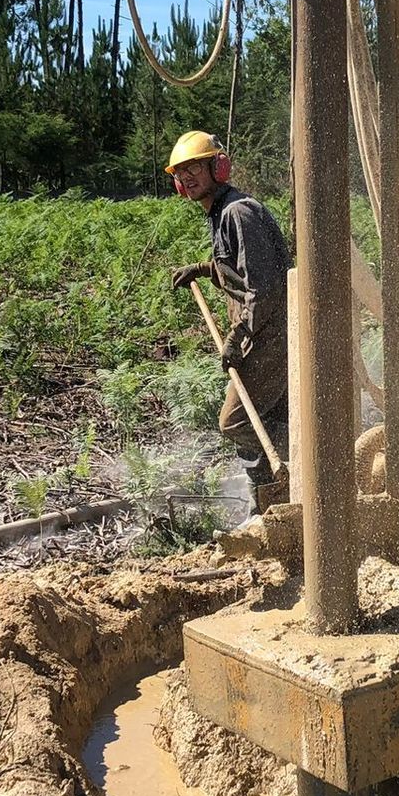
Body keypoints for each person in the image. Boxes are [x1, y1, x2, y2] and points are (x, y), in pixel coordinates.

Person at [166, 131, 291, 512]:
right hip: (262, 333)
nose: (188, 178)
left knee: (235, 422)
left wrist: (238, 336)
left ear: (218, 167)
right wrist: (203, 269)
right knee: (272, 416)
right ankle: (278, 499)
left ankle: (277, 490)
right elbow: (237, 268)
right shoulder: (221, 212)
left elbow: (264, 287)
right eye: (181, 172)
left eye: (196, 168)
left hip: (269, 336)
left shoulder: (238, 211)